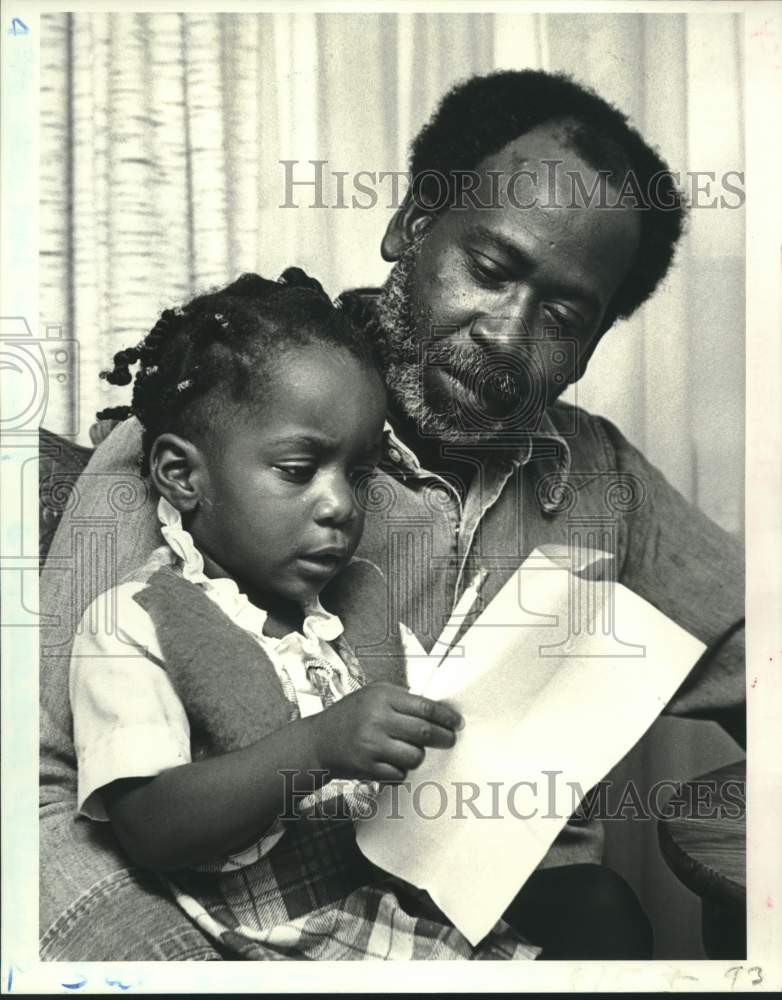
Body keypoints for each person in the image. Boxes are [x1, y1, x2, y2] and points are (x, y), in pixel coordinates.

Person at [40, 69, 743, 961]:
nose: (505, 332)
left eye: (564, 313)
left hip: (500, 927)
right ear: (411, 226)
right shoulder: (204, 432)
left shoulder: (606, 479)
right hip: (239, 920)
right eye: (487, 270)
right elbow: (42, 794)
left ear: (596, 340)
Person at [67, 266, 543, 960]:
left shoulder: (355, 611)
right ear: (181, 474)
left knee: (597, 909)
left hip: (408, 913)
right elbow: (149, 826)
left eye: (357, 473)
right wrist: (316, 746)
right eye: (299, 469)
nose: (342, 505)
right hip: (303, 952)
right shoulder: (134, 623)